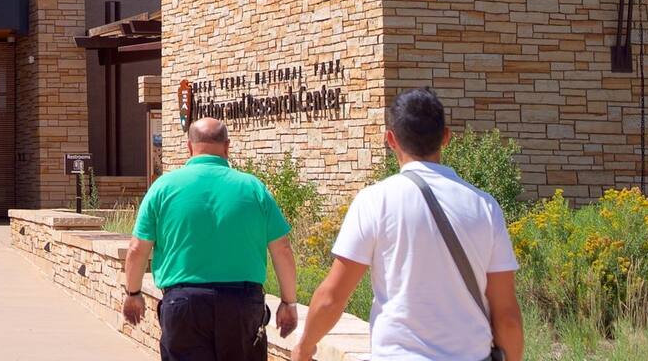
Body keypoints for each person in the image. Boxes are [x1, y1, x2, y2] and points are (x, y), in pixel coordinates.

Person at [292, 88, 524, 361]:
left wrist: (304, 346)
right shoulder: (484, 207)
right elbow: (507, 315)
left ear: (391, 139)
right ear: (446, 137)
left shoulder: (374, 201)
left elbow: (333, 296)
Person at [120, 118, 299, 361]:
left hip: (184, 304)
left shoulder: (163, 188)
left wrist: (133, 293)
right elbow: (283, 250)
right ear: (227, 146)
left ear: (189, 147)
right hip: (242, 305)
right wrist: (289, 302)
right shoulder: (253, 188)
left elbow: (137, 249)